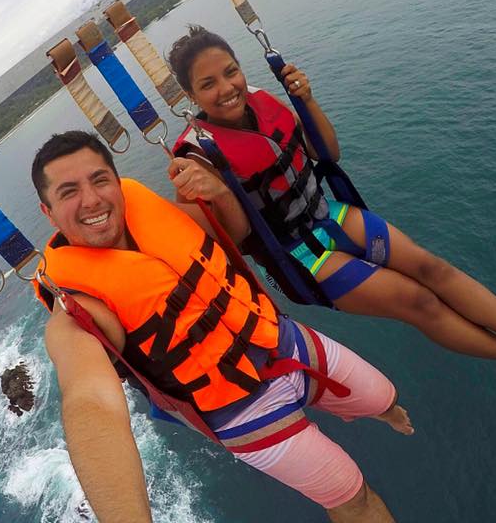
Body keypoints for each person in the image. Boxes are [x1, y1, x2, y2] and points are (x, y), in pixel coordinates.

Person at [167, 25, 496, 373]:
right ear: (190, 97)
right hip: (300, 256)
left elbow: (326, 154)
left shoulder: (263, 101)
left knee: (434, 268)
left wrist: (307, 100)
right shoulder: (195, 157)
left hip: (328, 212)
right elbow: (238, 237)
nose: (227, 87)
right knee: (420, 302)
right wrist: (221, 192)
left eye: (230, 71)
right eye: (208, 84)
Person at [32, 130, 413, 523]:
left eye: (99, 179)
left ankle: (383, 412)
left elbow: (234, 233)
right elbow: (89, 401)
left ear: (116, 180)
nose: (91, 199)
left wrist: (220, 192)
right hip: (241, 411)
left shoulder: (153, 213)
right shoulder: (77, 308)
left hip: (282, 340)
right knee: (352, 493)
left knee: (384, 396)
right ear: (48, 211)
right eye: (68, 191)